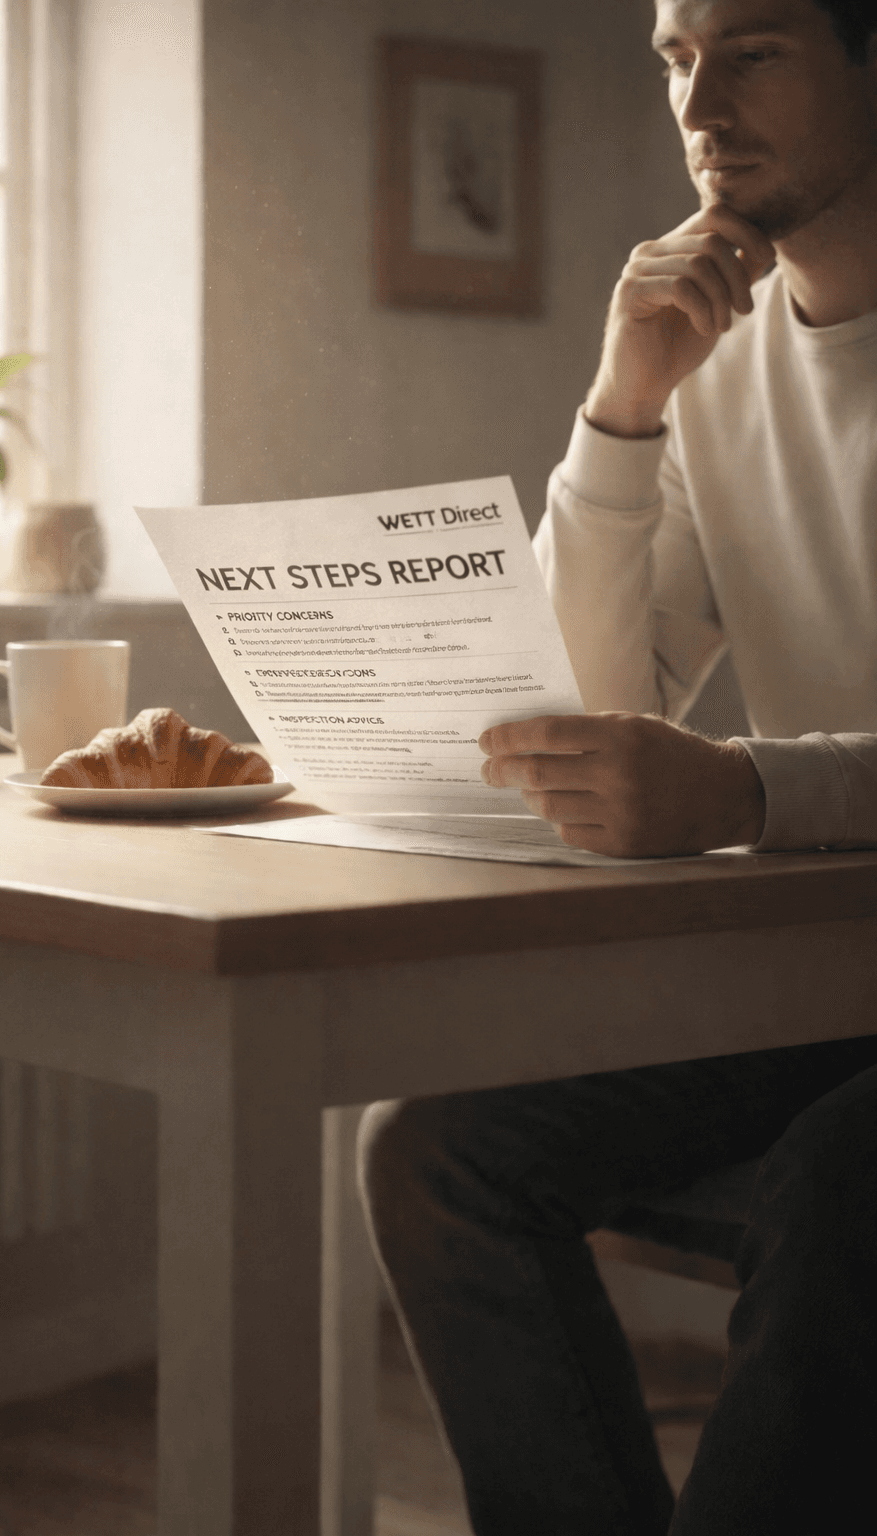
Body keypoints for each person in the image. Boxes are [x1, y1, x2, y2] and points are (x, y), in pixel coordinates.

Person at [359, 1, 877, 1531]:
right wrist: (625, 405)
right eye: (675, 59)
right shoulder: (718, 367)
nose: (699, 106)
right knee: (434, 1153)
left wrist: (747, 791)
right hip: (822, 979)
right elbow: (591, 704)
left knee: (838, 1180)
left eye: (754, 50)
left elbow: (707, 775)